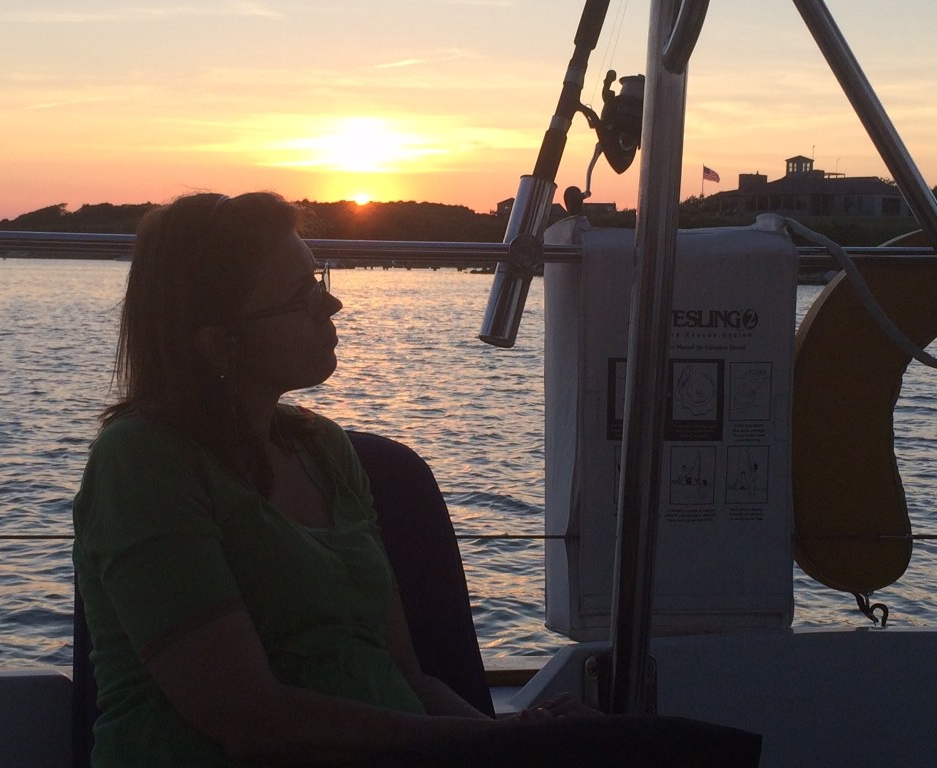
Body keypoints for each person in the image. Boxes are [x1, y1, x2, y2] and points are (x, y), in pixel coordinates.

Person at [73, 191, 761, 767]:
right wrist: (484, 746)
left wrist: (501, 741)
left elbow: (405, 675)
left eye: (321, 281)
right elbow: (252, 721)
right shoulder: (143, 465)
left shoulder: (324, 450)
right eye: (299, 297)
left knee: (688, 752)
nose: (330, 307)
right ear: (218, 343)